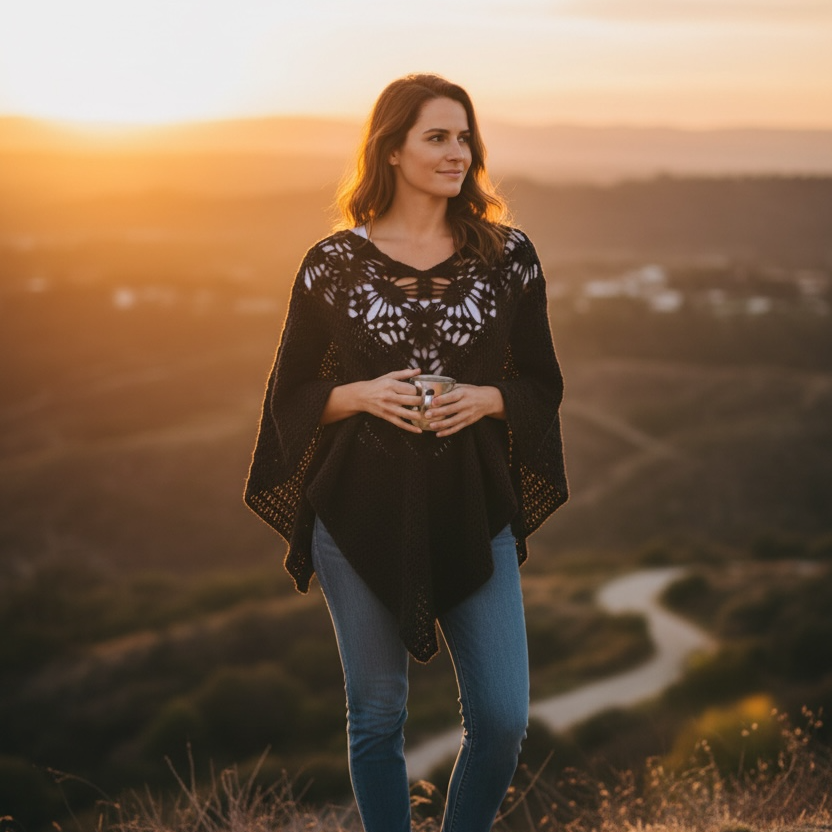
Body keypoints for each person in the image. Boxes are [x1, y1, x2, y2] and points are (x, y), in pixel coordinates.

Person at [245, 73, 568, 832]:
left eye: (465, 137)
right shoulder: (332, 265)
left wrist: (487, 399)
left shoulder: (508, 258)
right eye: (438, 137)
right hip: (356, 512)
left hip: (471, 507)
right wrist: (358, 394)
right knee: (378, 715)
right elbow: (288, 396)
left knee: (501, 718)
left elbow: (541, 384)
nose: (459, 152)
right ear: (391, 150)